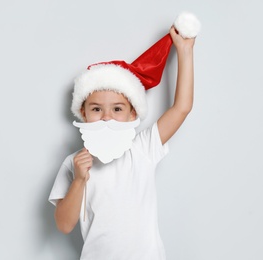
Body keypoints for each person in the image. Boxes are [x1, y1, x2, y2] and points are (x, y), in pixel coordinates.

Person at [49, 24, 196, 260]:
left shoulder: (143, 149)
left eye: (117, 109)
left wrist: (185, 51)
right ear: (84, 114)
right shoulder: (73, 163)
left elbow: (182, 108)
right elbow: (64, 225)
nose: (106, 116)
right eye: (96, 109)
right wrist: (79, 180)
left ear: (132, 115)